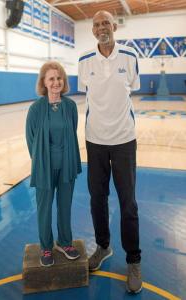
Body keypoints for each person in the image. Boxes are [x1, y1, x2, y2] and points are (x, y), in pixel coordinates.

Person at [78, 11, 142, 293]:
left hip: (125, 140)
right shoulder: (84, 61)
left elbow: (132, 90)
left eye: (106, 22)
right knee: (97, 199)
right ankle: (103, 247)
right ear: (92, 30)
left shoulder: (129, 57)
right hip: (95, 141)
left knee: (128, 203)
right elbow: (87, 94)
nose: (101, 27)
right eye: (96, 23)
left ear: (114, 27)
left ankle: (133, 260)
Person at [26, 61, 82, 267]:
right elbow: (31, 140)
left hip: (66, 164)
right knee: (44, 208)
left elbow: (72, 131)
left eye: (59, 78)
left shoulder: (70, 106)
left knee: (65, 206)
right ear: (44, 82)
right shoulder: (35, 109)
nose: (56, 82)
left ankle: (65, 243)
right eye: (52, 79)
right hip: (44, 167)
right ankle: (46, 247)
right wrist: (42, 161)